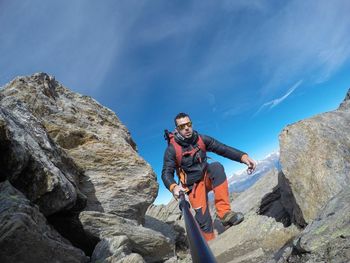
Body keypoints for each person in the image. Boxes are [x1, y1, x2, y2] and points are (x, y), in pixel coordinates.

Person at [162, 112, 256, 241]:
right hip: (193, 187)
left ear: (192, 124)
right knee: (204, 222)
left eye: (188, 124)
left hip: (207, 177)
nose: (186, 128)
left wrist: (243, 157)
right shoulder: (172, 149)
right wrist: (173, 187)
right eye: (182, 126)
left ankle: (224, 214)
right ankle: (211, 245)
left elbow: (222, 148)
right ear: (177, 129)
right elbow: (166, 172)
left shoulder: (201, 139)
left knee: (216, 167)